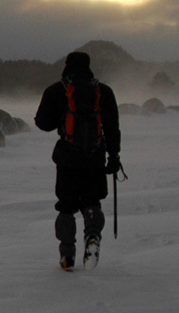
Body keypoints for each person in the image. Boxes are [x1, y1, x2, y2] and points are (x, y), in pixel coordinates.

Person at [33, 51, 121, 270]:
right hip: (95, 157)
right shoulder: (103, 92)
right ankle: (92, 235)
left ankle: (67, 255)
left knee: (66, 207)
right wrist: (114, 156)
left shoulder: (57, 91)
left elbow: (43, 123)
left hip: (67, 159)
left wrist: (60, 117)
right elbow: (112, 128)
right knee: (92, 202)